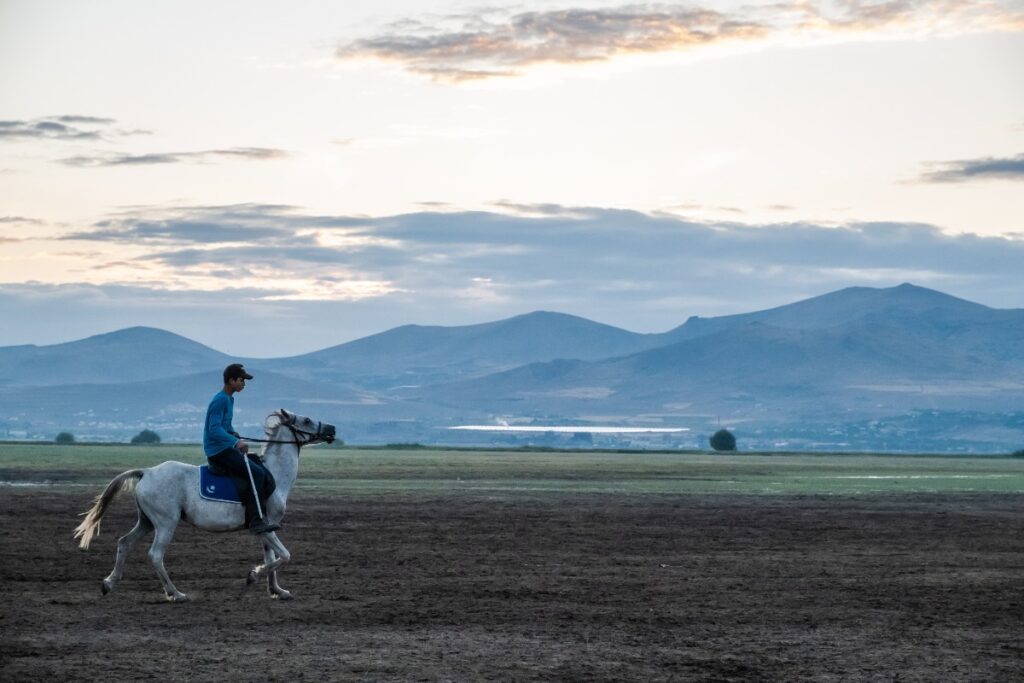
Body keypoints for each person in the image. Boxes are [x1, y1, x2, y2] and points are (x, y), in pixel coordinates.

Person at [203, 363, 278, 534]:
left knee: (257, 463)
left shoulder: (229, 399)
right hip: (218, 451)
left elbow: (224, 426)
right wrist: (235, 442)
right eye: (241, 380)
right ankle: (256, 521)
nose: (244, 383)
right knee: (257, 473)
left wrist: (234, 434)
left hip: (225, 446)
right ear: (231, 380)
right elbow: (214, 429)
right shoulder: (220, 400)